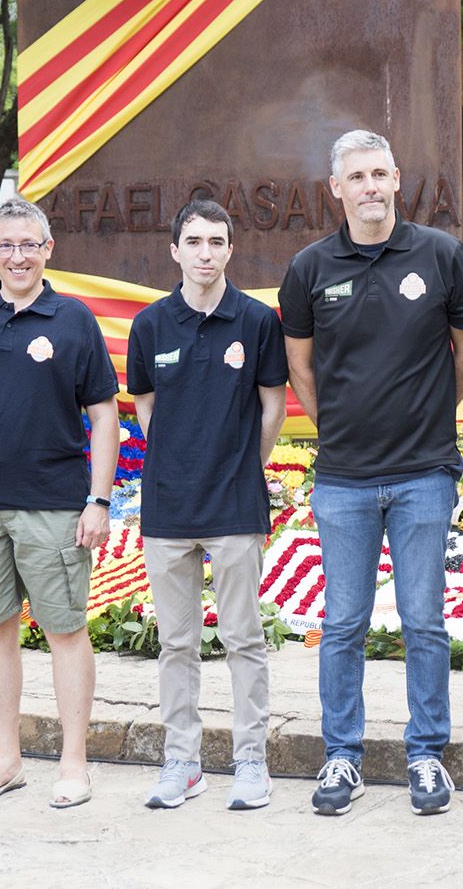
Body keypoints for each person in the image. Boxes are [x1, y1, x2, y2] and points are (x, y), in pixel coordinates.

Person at [278, 129, 463, 816]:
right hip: (344, 479)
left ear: (397, 179)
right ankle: (342, 757)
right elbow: (300, 363)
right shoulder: (309, 268)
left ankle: (427, 755)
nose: (368, 186)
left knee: (424, 621)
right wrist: (336, 426)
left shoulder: (440, 254)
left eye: (378, 174)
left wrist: (431, 416)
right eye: (354, 177)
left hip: (424, 472)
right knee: (343, 624)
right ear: (334, 189)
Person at [0, 197, 120, 810]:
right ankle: (6, 761)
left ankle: (73, 765)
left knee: (64, 629)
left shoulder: (75, 321)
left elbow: (105, 412)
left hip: (54, 506)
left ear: (48, 250)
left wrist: (99, 499)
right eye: (6, 245)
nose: (18, 256)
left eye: (29, 244)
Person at [126, 199, 289, 812]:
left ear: (229, 249)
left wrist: (245, 461)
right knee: (176, 643)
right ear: (175, 250)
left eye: (216, 242)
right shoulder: (149, 326)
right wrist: (177, 456)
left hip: (234, 504)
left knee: (244, 639)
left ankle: (251, 761)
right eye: (193, 241)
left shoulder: (255, 321)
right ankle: (182, 763)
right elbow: (144, 403)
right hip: (168, 508)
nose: (205, 252)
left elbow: (272, 404)